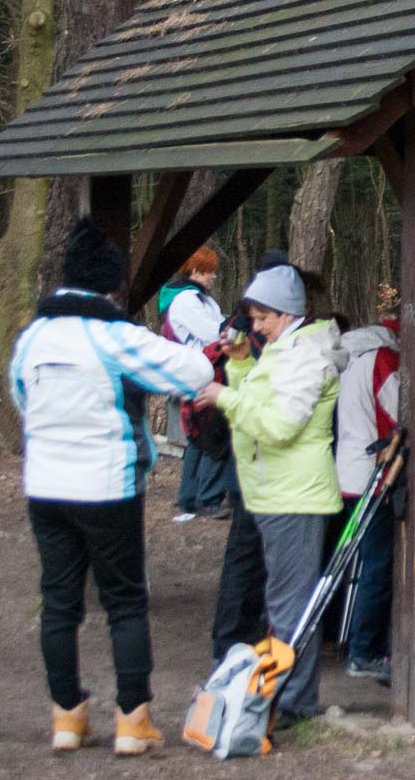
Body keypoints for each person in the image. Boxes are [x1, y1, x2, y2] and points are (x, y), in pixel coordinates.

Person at [13, 218, 220, 755]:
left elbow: (20, 394)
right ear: (109, 282)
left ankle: (67, 716)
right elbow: (194, 373)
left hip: (44, 485)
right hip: (106, 485)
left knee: (58, 603)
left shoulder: (32, 337)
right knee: (125, 602)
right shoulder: (112, 335)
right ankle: (132, 719)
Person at [194, 263, 345, 724]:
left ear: (287, 312)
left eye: (262, 318)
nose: (255, 327)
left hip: (294, 497)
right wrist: (240, 366)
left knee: (291, 605)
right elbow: (262, 403)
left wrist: (224, 396)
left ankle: (295, 704)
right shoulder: (284, 350)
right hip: (274, 492)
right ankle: (287, 697)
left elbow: (279, 426)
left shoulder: (304, 356)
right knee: (282, 602)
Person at [333, 314, 399, 681]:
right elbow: (405, 409)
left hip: (349, 474)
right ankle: (365, 652)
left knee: (367, 564)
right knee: (379, 567)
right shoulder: (383, 359)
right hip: (372, 478)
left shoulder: (352, 357)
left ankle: (359, 644)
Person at [162, 247, 230, 517]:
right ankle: (207, 498)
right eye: (208, 271)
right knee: (214, 434)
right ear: (195, 271)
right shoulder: (188, 301)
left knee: (198, 436)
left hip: (199, 371)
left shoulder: (197, 299)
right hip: (203, 372)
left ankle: (190, 496)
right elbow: (214, 333)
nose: (213, 276)